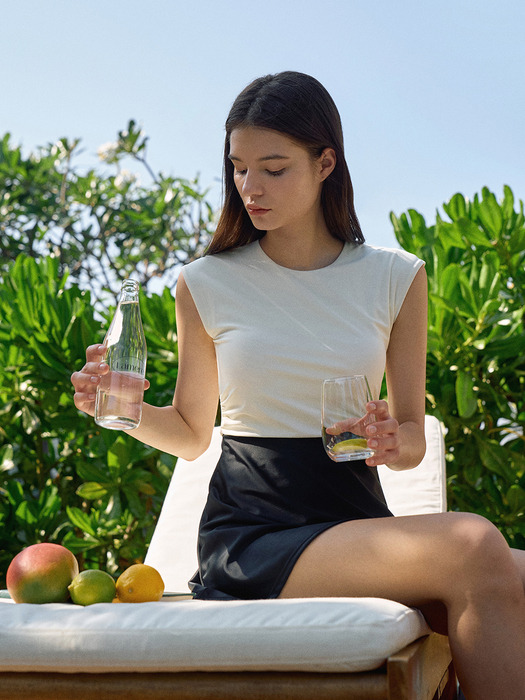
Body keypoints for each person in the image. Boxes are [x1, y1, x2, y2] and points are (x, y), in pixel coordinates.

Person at [71, 71, 525, 699]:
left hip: (354, 515)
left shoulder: (396, 278)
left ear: (325, 163)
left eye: (274, 169)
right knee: (475, 543)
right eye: (238, 168)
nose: (250, 188)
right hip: (255, 531)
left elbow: (413, 435)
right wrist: (117, 410)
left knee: (515, 577)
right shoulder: (206, 283)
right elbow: (191, 434)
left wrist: (395, 442)